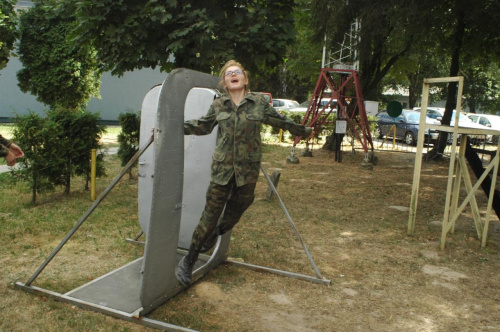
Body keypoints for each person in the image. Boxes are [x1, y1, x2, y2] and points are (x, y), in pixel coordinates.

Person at [176, 60, 313, 286]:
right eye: (228, 73)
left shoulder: (258, 103)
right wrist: (173, 125)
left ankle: (218, 230)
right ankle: (188, 261)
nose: (233, 75)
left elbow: (280, 120)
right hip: (222, 171)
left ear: (245, 79)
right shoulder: (219, 105)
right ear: (225, 82)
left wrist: (303, 131)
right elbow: (203, 125)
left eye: (237, 72)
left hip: (247, 170)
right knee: (208, 217)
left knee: (243, 203)